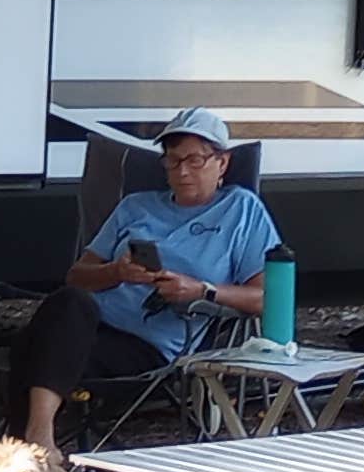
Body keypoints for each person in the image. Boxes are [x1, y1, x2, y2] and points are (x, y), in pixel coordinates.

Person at [14, 112, 281, 450]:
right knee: (69, 303)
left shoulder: (242, 209)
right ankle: (38, 443)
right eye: (173, 160)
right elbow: (76, 276)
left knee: (34, 348)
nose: (182, 171)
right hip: (88, 324)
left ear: (222, 163)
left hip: (148, 346)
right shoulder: (135, 206)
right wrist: (117, 272)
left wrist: (201, 290)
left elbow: (267, 298)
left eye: (195, 160)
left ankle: (29, 443)